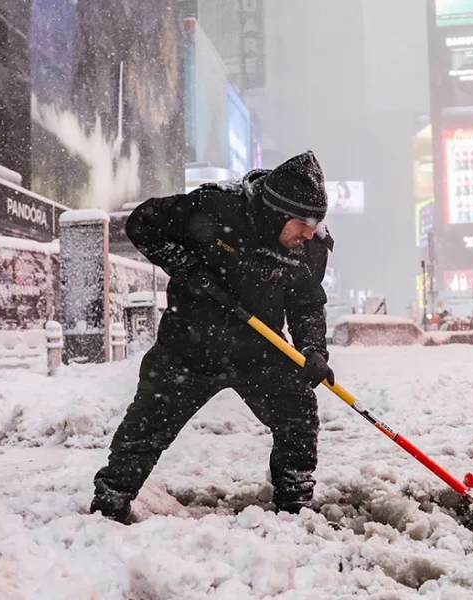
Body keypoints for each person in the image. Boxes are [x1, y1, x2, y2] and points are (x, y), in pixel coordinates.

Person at [91, 151, 336, 524]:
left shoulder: (310, 247)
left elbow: (306, 303)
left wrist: (312, 349)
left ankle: (295, 503)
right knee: (147, 426)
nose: (309, 231)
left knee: (298, 413)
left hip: (261, 349)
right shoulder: (215, 208)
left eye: (316, 221)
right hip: (189, 347)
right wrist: (184, 266)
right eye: (302, 221)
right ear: (276, 211)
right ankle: (111, 501)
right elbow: (142, 224)